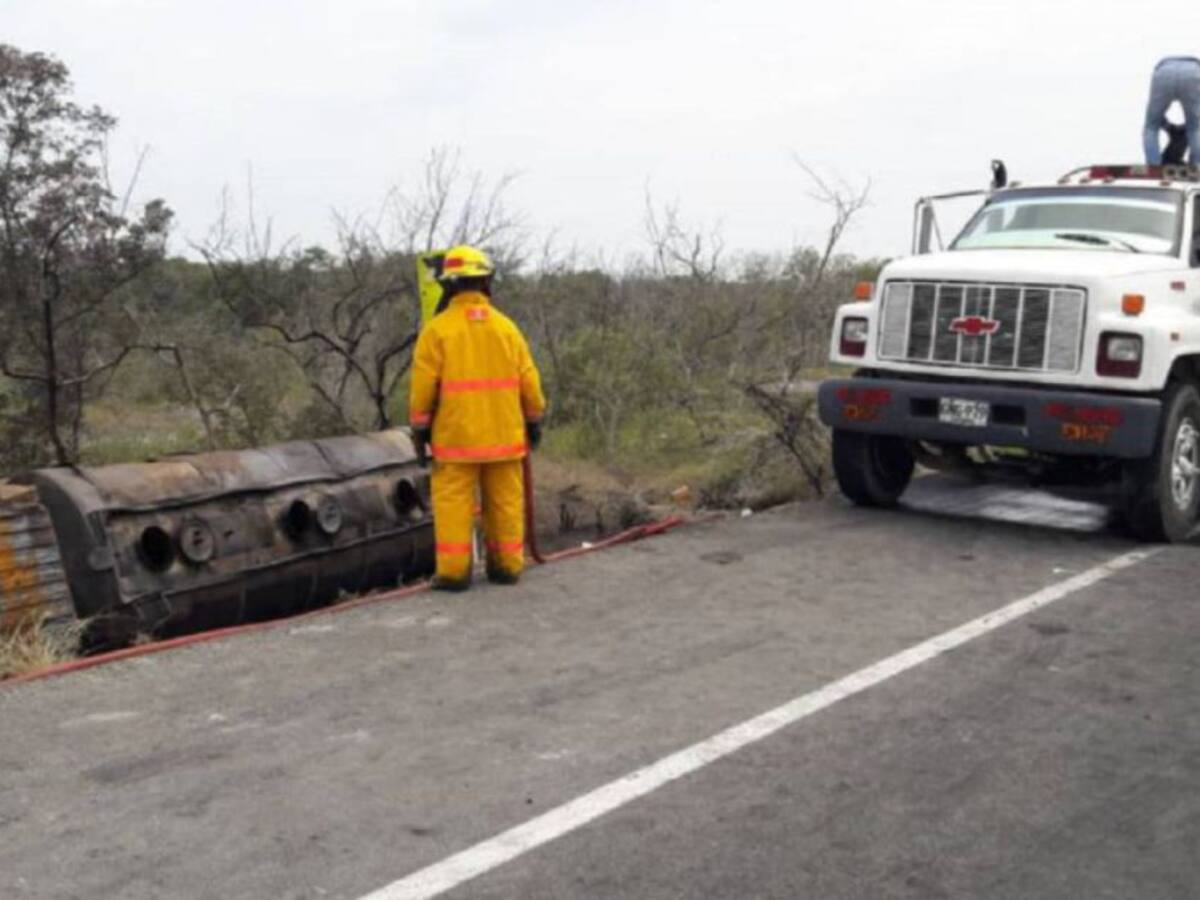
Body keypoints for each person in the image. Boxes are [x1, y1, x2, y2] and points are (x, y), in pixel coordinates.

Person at [408, 244, 546, 591]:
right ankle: (507, 568)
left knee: (454, 505)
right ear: (486, 280)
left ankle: (454, 574)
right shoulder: (506, 329)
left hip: (456, 440)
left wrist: (420, 428)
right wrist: (534, 419)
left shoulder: (436, 331)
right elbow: (529, 381)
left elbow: (423, 387)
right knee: (505, 503)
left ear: (449, 285)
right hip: (504, 436)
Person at [1143, 56, 1200, 165]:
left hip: (1163, 71)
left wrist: (1164, 124)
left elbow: (1156, 120)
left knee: (1151, 127)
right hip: (1193, 71)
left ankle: (1154, 167)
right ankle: (1198, 165)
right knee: (1194, 129)